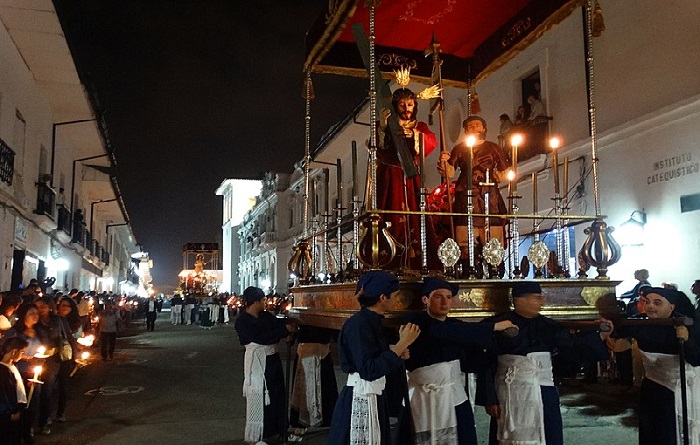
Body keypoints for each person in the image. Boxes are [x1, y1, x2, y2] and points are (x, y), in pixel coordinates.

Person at [476, 281, 613, 445]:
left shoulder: (548, 325)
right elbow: (486, 361)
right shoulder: (500, 324)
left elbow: (571, 346)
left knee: (549, 434)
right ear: (520, 300)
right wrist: (490, 398)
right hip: (509, 392)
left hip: (544, 391)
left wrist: (600, 337)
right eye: (536, 298)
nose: (541, 303)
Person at [404, 277, 517, 445]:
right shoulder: (416, 322)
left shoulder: (457, 326)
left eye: (449, 297)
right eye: (438, 296)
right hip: (424, 398)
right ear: (425, 299)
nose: (444, 302)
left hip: (454, 397)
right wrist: (493, 327)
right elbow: (445, 332)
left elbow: (470, 360)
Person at [328, 270, 420, 445]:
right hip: (360, 397)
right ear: (383, 297)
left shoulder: (373, 321)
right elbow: (368, 369)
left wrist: (396, 351)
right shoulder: (359, 324)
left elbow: (371, 353)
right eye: (396, 295)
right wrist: (401, 345)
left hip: (374, 396)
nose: (397, 300)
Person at [613, 286, 700, 445]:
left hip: (679, 388)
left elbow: (696, 358)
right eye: (647, 302)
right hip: (652, 386)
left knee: (671, 433)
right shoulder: (639, 323)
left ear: (671, 307)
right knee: (652, 431)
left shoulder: (685, 323)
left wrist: (687, 340)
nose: (650, 306)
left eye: (657, 303)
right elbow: (617, 330)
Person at [377, 85, 439, 271]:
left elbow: (431, 142)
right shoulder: (388, 125)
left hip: (411, 175)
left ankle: (418, 258)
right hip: (391, 176)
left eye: (410, 104)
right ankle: (389, 255)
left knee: (414, 213)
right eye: (402, 104)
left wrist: (415, 135)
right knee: (392, 212)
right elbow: (376, 147)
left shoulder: (419, 126)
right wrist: (382, 127)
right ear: (396, 106)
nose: (406, 108)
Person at [438, 116, 510, 269]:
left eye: (478, 125)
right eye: (470, 126)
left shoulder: (494, 147)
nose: (474, 129)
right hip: (465, 193)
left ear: (484, 128)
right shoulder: (459, 148)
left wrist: (499, 175)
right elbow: (449, 172)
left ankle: (494, 266)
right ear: (465, 130)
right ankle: (467, 263)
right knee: (465, 230)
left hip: (489, 194)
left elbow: (505, 169)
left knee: (491, 231)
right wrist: (444, 163)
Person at [234, 286, 295, 444]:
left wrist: (287, 329)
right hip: (257, 361)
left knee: (278, 395)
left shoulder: (266, 316)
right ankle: (260, 433)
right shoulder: (242, 322)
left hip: (272, 359)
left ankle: (280, 429)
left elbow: (279, 326)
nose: (265, 302)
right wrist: (282, 332)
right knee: (260, 395)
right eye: (262, 300)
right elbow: (259, 337)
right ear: (255, 302)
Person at [54, 297, 79, 423]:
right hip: (54, 355)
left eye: (67, 306)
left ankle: (60, 412)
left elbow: (71, 337)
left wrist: (75, 351)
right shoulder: (55, 318)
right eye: (62, 305)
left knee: (64, 384)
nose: (64, 308)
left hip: (65, 354)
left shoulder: (70, 321)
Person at [0, 336, 29, 445]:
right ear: (14, 352)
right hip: (9, 413)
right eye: (22, 352)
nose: (22, 356)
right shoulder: (3, 371)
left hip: (17, 407)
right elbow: (3, 395)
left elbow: (14, 386)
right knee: (9, 438)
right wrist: (12, 411)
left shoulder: (12, 366)